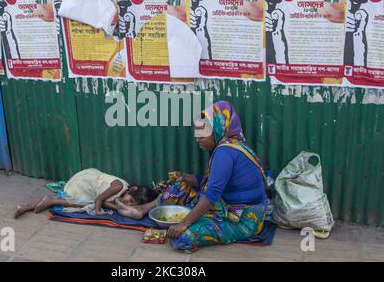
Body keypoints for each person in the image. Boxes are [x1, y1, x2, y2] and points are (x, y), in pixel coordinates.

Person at [117, 101, 267, 252]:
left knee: (183, 238)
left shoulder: (225, 152)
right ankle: (142, 210)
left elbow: (211, 196)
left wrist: (184, 224)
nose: (197, 140)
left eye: (202, 135)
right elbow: (212, 182)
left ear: (217, 129)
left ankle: (184, 220)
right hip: (224, 203)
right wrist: (184, 176)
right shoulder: (228, 146)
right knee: (179, 186)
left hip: (245, 216)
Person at [14, 168, 157, 219]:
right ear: (132, 189)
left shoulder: (120, 197)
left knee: (70, 198)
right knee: (87, 204)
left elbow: (108, 202)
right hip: (85, 182)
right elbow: (99, 199)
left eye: (131, 204)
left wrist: (120, 207)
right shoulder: (119, 186)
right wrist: (98, 210)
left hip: (85, 180)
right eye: (130, 200)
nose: (127, 203)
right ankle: (52, 201)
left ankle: (25, 206)